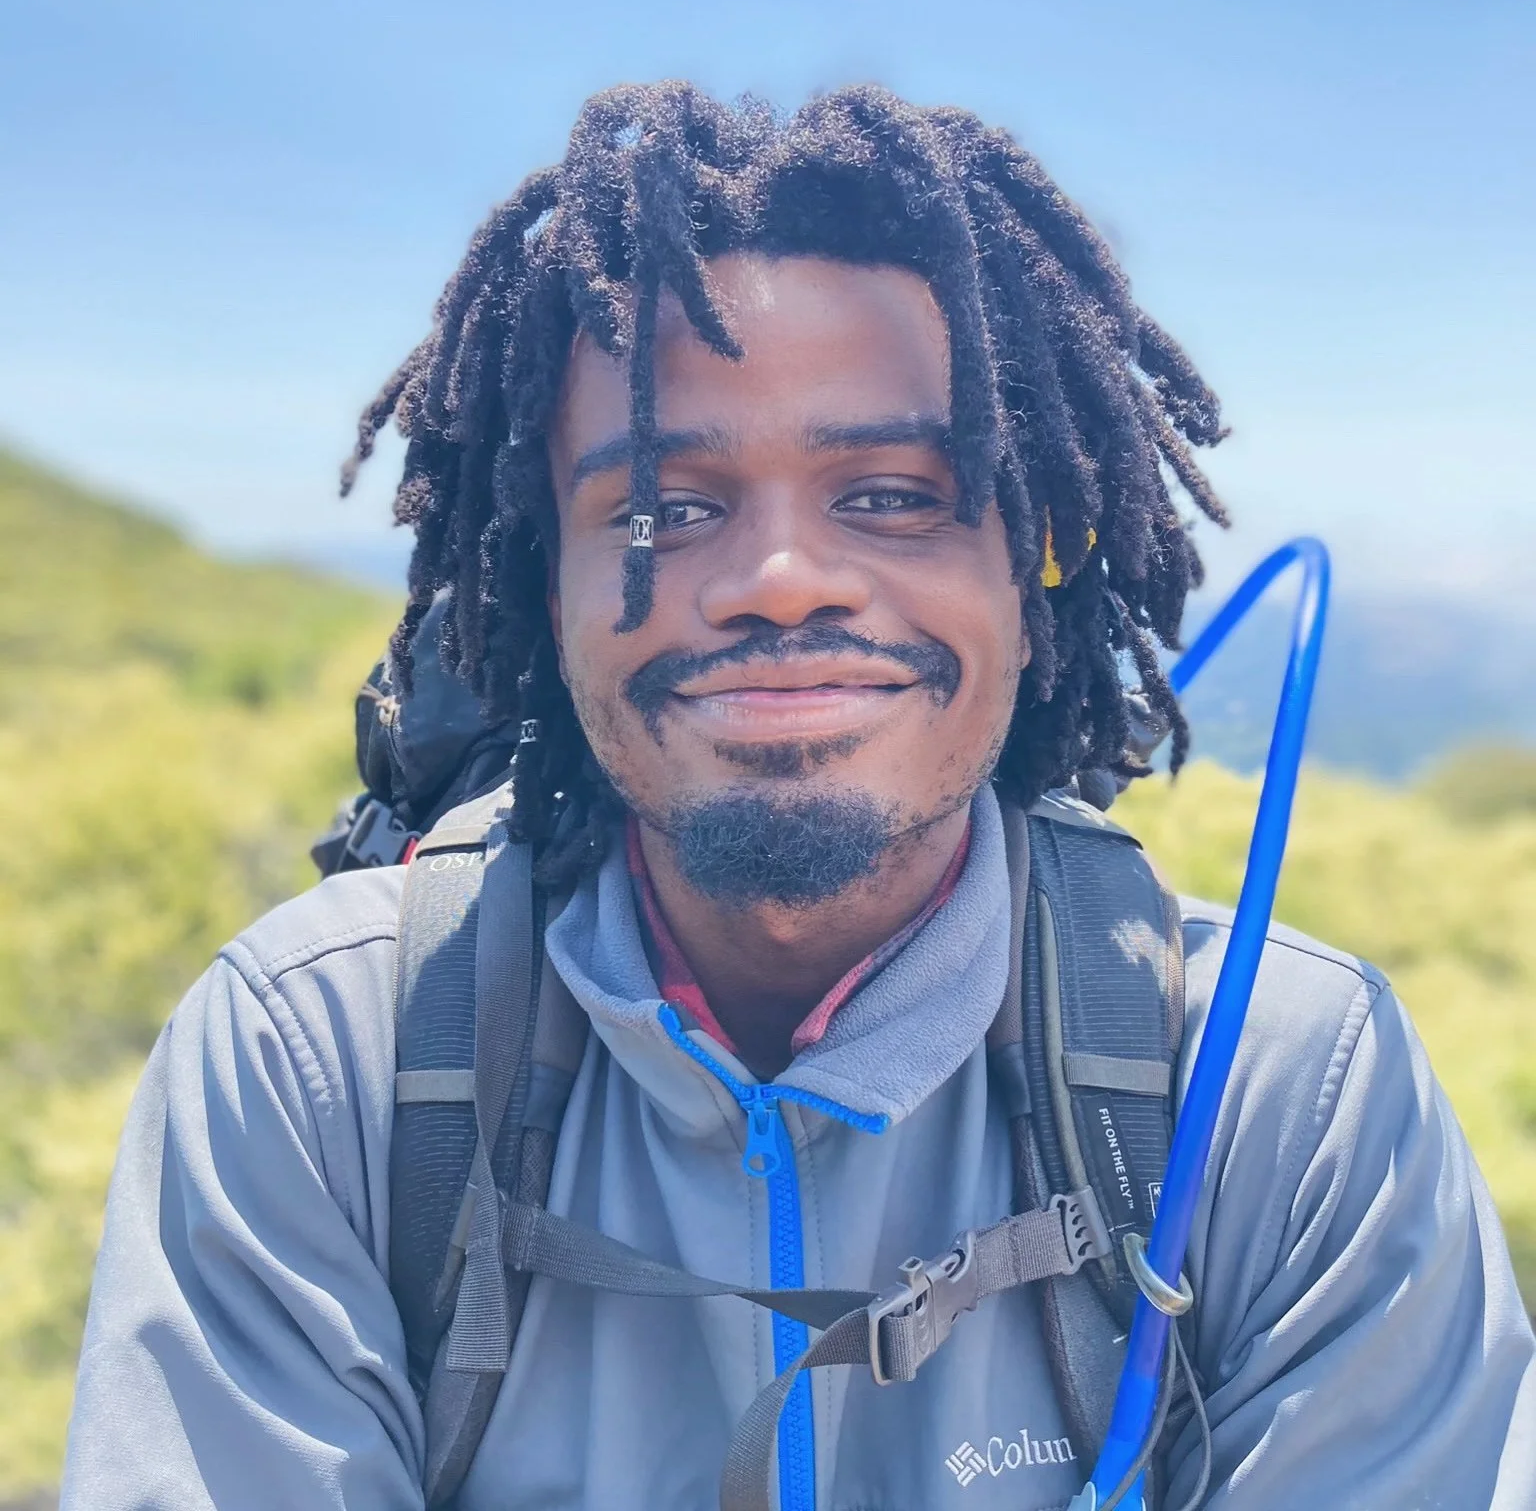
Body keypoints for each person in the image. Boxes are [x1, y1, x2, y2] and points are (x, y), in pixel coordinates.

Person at [63, 82, 1535, 1510]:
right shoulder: (321, 1066)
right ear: (543, 588)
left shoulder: (1290, 1094)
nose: (780, 583)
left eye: (893, 494)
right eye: (661, 512)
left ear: (1038, 570)